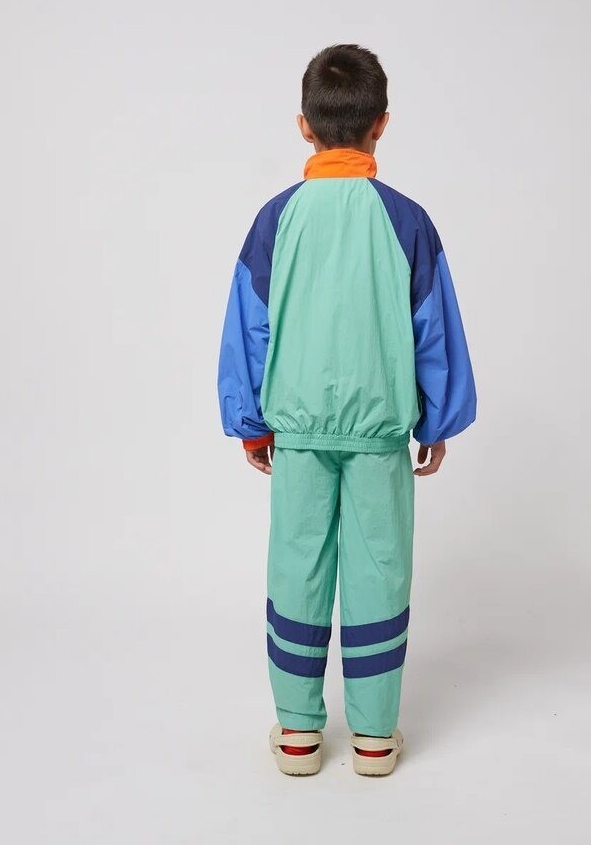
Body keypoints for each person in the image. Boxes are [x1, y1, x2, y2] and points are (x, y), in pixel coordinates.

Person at [217, 44, 477, 776]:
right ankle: (373, 737)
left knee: (296, 566)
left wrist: (251, 423)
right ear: (381, 123)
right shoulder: (407, 221)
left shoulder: (276, 219)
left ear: (304, 125)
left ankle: (299, 733)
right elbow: (433, 326)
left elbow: (248, 326)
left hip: (297, 432)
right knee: (379, 570)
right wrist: (437, 419)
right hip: (379, 434)